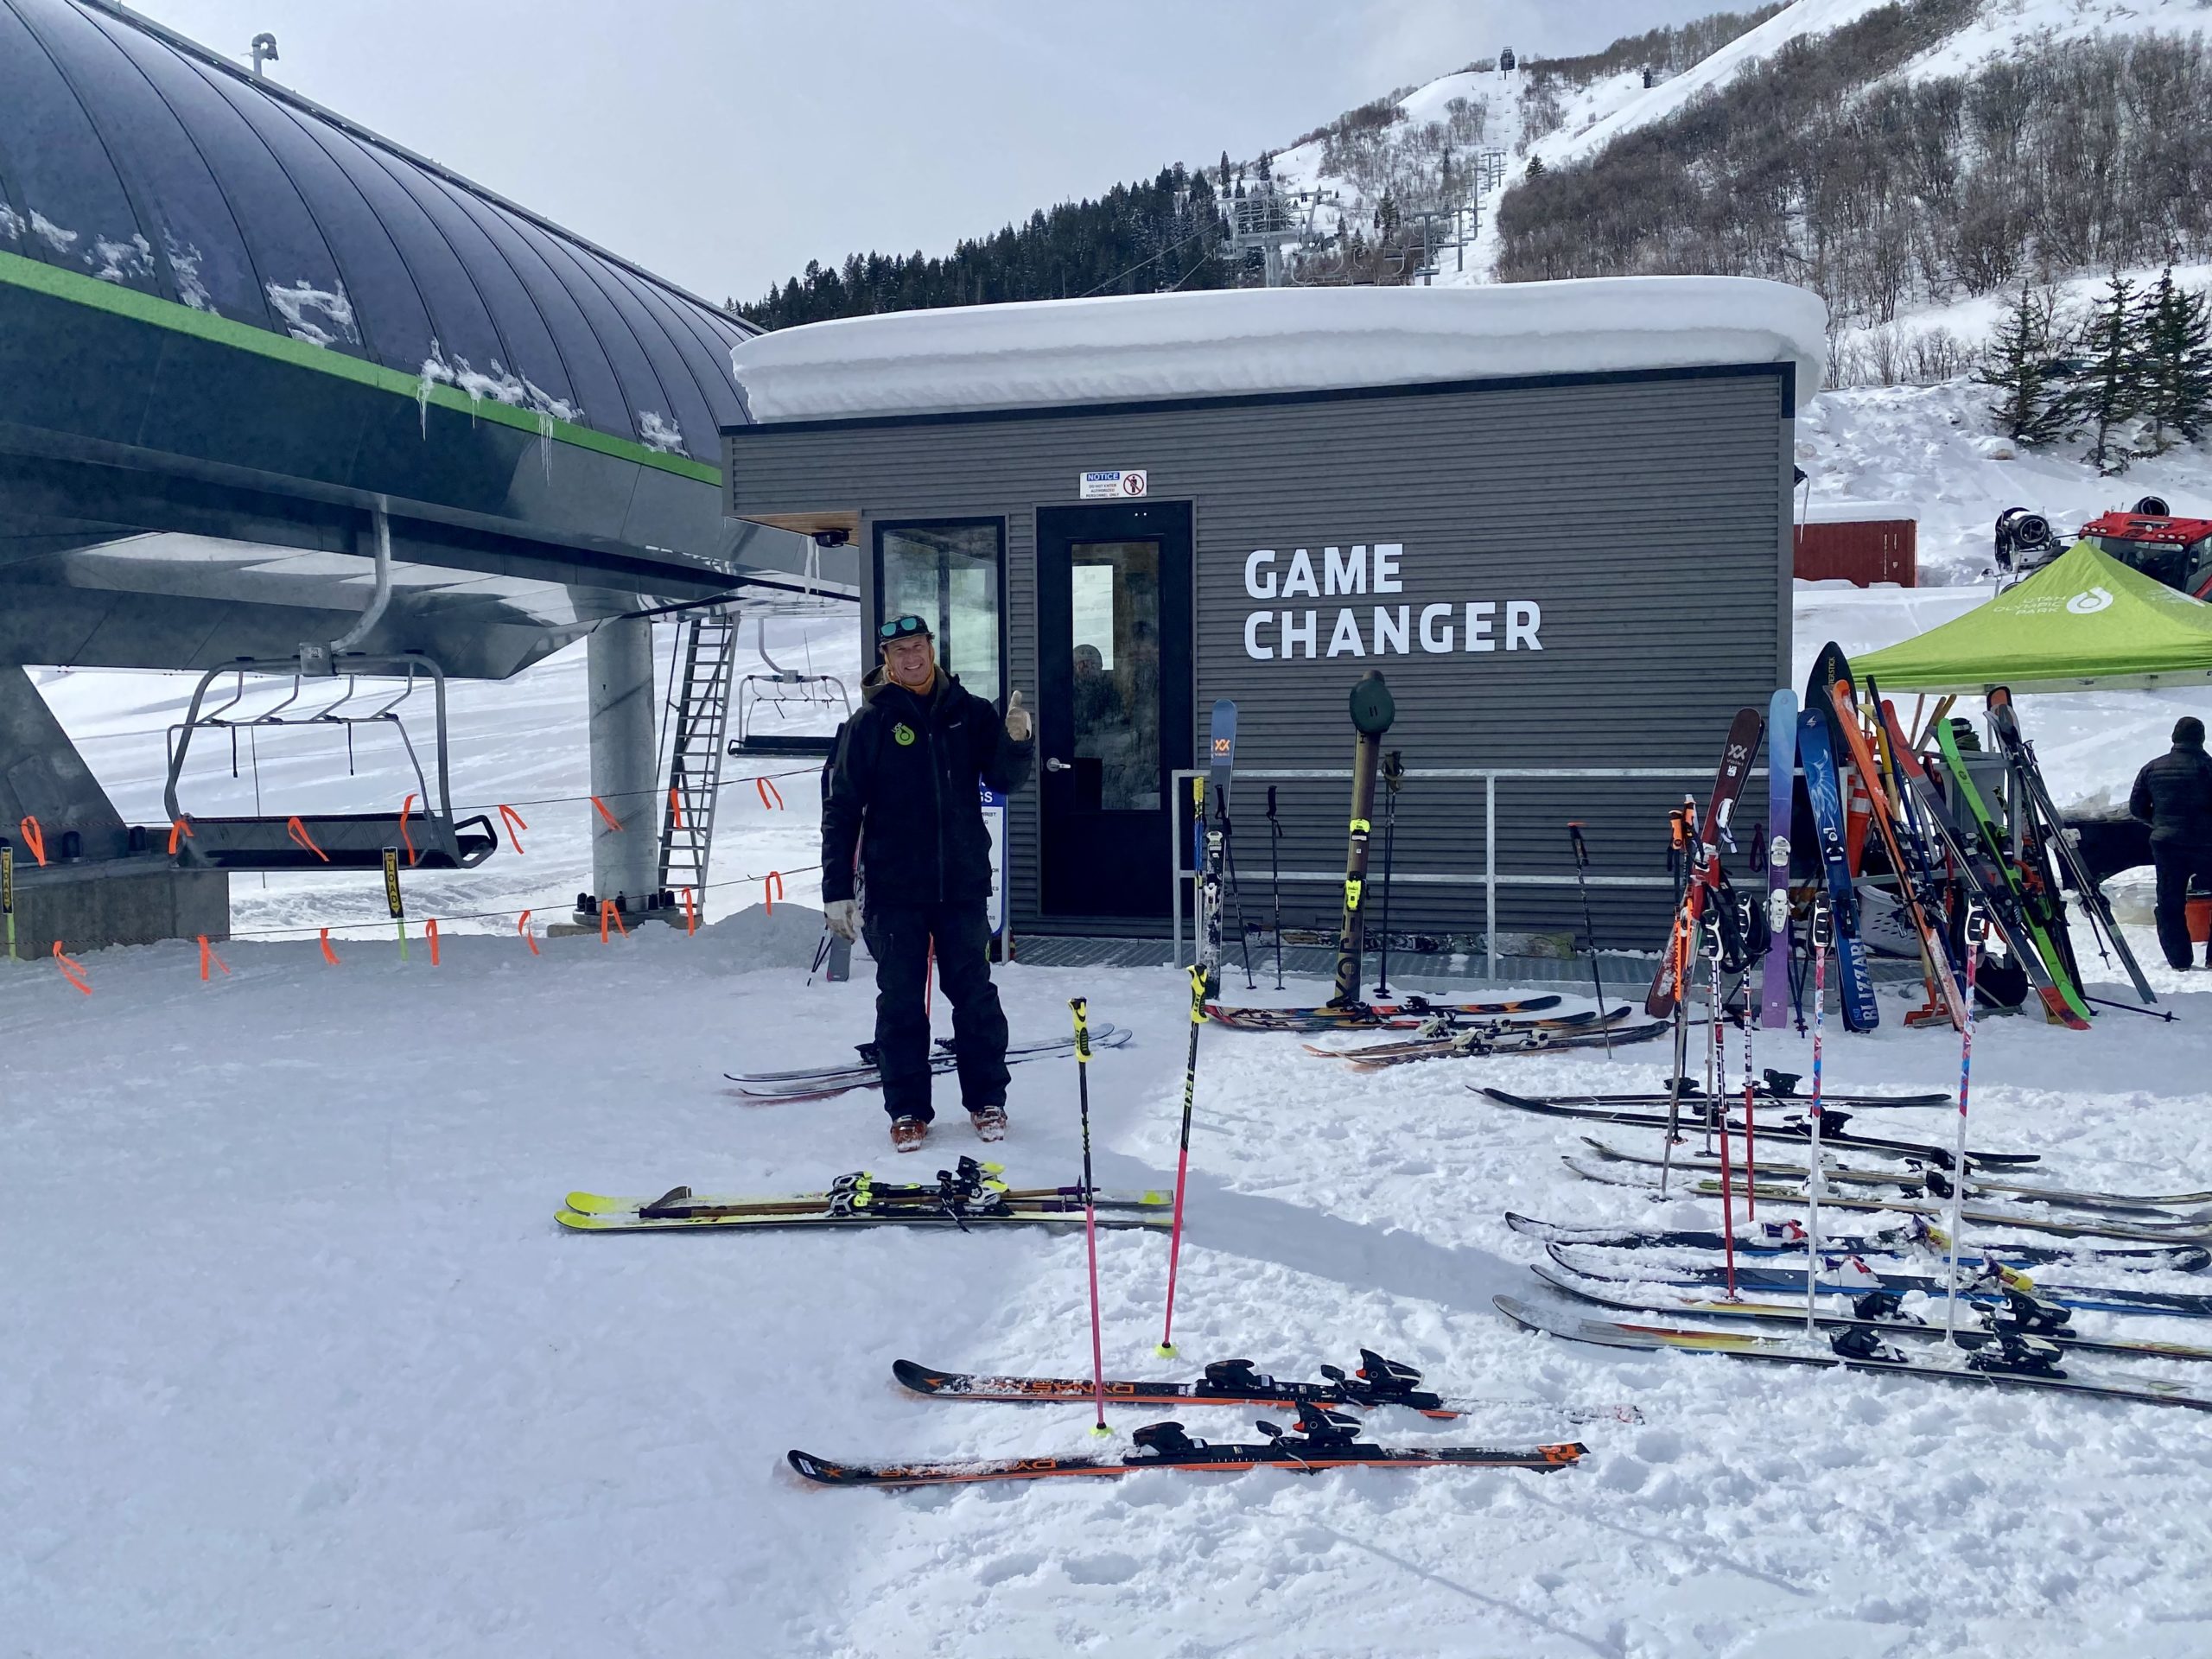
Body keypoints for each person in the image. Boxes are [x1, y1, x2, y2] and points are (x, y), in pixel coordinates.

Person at [821, 614, 1035, 1151]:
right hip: (895, 891)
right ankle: (908, 1110)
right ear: (886, 661)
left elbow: (1004, 779)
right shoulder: (868, 724)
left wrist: (1017, 740)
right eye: (898, 651)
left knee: (976, 997)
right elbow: (841, 810)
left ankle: (988, 1100)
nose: (910, 657)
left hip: (961, 886)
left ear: (932, 650)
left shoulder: (970, 713)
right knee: (899, 1003)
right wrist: (836, 890)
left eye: (917, 647)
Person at [2129, 715, 2212, 971]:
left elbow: (2136, 808)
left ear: (2174, 738)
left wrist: (2160, 823)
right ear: (2202, 739)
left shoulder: (2153, 768)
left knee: (2169, 901)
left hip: (2167, 844)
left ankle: (2179, 960)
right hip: (2208, 843)